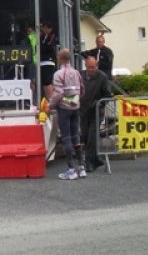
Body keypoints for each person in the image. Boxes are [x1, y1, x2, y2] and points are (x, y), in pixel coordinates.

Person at [49, 49, 86, 180]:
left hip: (64, 109)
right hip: (76, 107)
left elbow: (58, 93)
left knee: (66, 138)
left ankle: (71, 170)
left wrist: (50, 105)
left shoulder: (58, 74)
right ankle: (81, 168)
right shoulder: (77, 72)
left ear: (60, 58)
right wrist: (74, 101)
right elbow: (82, 90)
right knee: (76, 137)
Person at [80, 56, 112, 172]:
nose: (91, 70)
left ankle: (89, 163)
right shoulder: (81, 75)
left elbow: (108, 95)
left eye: (93, 67)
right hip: (83, 111)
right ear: (85, 66)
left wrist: (98, 104)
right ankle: (96, 159)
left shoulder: (102, 77)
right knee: (84, 136)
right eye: (89, 67)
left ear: (97, 66)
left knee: (92, 138)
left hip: (96, 112)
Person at [39, 21, 58, 100]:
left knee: (48, 82)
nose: (44, 29)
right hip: (42, 61)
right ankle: (48, 100)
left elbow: (49, 46)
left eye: (46, 28)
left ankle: (52, 100)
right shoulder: (42, 37)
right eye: (43, 28)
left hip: (49, 61)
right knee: (44, 83)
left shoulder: (52, 36)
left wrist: (42, 47)